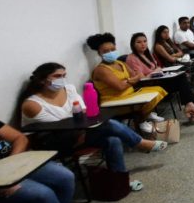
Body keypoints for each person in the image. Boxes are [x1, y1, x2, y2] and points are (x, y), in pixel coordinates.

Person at [21, 63, 166, 194]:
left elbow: (83, 112)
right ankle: (140, 143)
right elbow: (58, 127)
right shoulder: (33, 104)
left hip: (78, 132)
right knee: (109, 125)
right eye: (57, 76)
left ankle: (121, 181)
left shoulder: (69, 89)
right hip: (53, 142)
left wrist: (83, 129)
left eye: (64, 76)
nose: (62, 79)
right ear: (41, 80)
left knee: (113, 140)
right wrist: (83, 129)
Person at [86, 33, 168, 133]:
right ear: (99, 53)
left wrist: (128, 81)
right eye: (106, 51)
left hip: (130, 93)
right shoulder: (101, 70)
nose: (110, 52)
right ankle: (141, 121)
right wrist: (131, 80)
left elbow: (137, 75)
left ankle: (144, 116)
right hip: (115, 100)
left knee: (158, 90)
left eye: (113, 49)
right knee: (150, 97)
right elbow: (120, 87)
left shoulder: (120, 63)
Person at [126, 33, 194, 121]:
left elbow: (157, 67)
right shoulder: (132, 58)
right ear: (133, 45)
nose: (143, 44)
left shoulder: (147, 54)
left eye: (145, 41)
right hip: (148, 86)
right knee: (182, 81)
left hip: (159, 80)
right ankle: (192, 107)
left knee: (181, 77)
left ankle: (190, 106)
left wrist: (158, 71)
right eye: (139, 42)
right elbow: (141, 78)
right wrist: (155, 71)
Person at [153, 25, 194, 94]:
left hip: (180, 62)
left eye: (168, 32)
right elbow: (170, 60)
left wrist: (174, 55)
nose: (167, 34)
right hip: (172, 66)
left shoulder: (169, 42)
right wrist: (176, 56)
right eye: (164, 32)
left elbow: (181, 52)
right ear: (159, 34)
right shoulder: (158, 46)